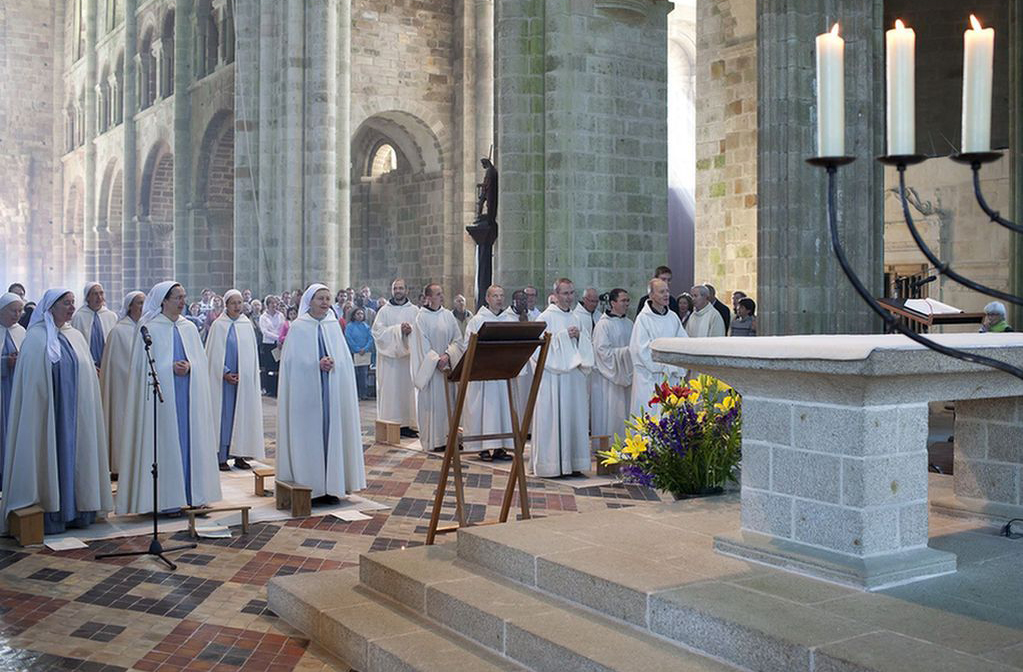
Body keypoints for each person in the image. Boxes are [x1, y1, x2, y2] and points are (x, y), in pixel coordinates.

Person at [0, 289, 113, 534]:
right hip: (49, 414)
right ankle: (52, 513)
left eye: (73, 303)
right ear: (51, 307)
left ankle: (80, 510)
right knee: (49, 455)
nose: (71, 308)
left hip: (75, 415)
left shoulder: (75, 336)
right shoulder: (37, 337)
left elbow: (85, 373)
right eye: (66, 304)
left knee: (78, 457)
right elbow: (32, 383)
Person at [117, 282, 222, 514]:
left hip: (188, 397)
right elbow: (141, 370)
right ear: (164, 300)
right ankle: (166, 500)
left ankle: (194, 493)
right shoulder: (150, 328)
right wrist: (169, 368)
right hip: (161, 402)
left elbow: (201, 363)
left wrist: (191, 366)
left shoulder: (189, 328)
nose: (182, 301)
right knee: (164, 445)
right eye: (177, 297)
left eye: (184, 297)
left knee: (190, 442)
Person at [277, 284, 366, 503]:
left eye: (327, 298)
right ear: (310, 301)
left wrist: (334, 362)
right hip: (306, 395)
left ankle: (332, 486)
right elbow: (291, 363)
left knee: (331, 433)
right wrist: (315, 364)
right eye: (320, 299)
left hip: (332, 391)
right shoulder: (298, 327)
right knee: (310, 437)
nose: (325, 302)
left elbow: (344, 359)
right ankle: (312, 487)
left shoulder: (333, 324)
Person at [531, 279, 593, 477]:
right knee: (554, 418)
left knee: (574, 417)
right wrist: (564, 336)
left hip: (573, 378)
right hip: (553, 379)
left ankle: (574, 463)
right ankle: (552, 465)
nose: (569, 297)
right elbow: (537, 349)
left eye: (572, 293)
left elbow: (587, 343)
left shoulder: (578, 317)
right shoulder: (545, 317)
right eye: (565, 293)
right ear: (555, 295)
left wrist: (578, 337)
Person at [206, 289, 265, 472]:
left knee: (242, 415)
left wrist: (246, 373)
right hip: (223, 383)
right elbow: (212, 355)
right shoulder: (218, 326)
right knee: (224, 417)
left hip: (242, 382)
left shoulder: (246, 324)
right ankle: (221, 456)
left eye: (240, 303)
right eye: (233, 303)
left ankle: (240, 455)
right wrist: (224, 372)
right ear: (226, 305)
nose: (237, 306)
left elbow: (251, 355)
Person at [462, 285, 516, 461]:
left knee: (502, 410)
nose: (499, 299)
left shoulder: (509, 320)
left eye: (501, 295)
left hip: (502, 374)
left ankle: (500, 447)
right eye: (495, 296)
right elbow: (466, 346)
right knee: (483, 411)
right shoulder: (477, 321)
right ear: (487, 298)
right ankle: (482, 447)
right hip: (483, 375)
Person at [410, 284, 463, 453]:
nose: (442, 296)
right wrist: (435, 360)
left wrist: (448, 355)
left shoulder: (448, 315)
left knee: (449, 405)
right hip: (432, 372)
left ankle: (449, 437)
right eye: (438, 294)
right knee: (433, 405)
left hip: (447, 367)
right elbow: (421, 345)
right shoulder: (421, 318)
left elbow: (458, 340)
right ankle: (434, 440)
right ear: (428, 297)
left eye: (442, 293)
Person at [98, 290, 144, 474]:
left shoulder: (147, 327)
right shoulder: (118, 331)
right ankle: (119, 465)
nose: (143, 307)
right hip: (123, 389)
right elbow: (115, 365)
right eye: (139, 303)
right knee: (121, 424)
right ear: (130, 306)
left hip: (143, 388)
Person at [630, 279, 687, 417]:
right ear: (651, 296)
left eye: (667, 291)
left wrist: (675, 367)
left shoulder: (673, 317)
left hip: (671, 377)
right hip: (650, 378)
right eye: (662, 292)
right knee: (650, 418)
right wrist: (663, 367)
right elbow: (640, 350)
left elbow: (683, 343)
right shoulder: (643, 319)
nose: (666, 294)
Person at [372, 278, 420, 438]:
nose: (398, 291)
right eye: (395, 288)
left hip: (408, 361)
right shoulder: (384, 311)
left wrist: (410, 330)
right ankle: (392, 424)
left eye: (401, 288)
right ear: (392, 291)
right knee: (391, 392)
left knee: (408, 391)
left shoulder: (414, 311)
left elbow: (421, 331)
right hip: (390, 362)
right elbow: (377, 333)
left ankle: (408, 424)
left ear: (406, 290)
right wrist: (399, 330)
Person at [592, 289, 634, 439]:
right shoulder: (603, 325)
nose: (626, 304)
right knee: (611, 413)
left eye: (628, 300)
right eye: (623, 301)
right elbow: (601, 352)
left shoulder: (630, 323)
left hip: (626, 376)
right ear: (612, 303)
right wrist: (625, 352)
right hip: (609, 378)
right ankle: (608, 447)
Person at [1, 292, 27, 482]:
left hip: (17, 389)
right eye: (13, 310)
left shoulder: (21, 332)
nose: (17, 315)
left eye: (20, 311)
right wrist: (4, 362)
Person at [71, 282, 118, 370]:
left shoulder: (111, 316)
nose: (99, 297)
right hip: (87, 365)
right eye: (95, 294)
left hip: (108, 365)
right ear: (88, 297)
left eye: (101, 293)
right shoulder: (79, 317)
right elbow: (76, 345)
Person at [344, 307, 374, 400]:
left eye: (361, 314)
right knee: (355, 374)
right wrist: (357, 349)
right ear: (353, 315)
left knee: (363, 374)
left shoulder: (366, 326)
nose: (360, 315)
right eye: (358, 314)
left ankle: (364, 394)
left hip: (364, 353)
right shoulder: (349, 326)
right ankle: (355, 394)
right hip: (354, 354)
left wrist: (365, 348)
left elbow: (370, 338)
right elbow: (349, 339)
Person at [258, 295, 285, 396]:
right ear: (267, 305)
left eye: (275, 303)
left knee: (278, 366)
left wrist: (281, 339)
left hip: (279, 345)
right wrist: (277, 338)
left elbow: (283, 327)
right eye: (272, 303)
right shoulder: (263, 317)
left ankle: (277, 389)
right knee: (270, 367)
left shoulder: (280, 315)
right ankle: (270, 389)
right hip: (269, 344)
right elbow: (265, 331)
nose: (274, 305)